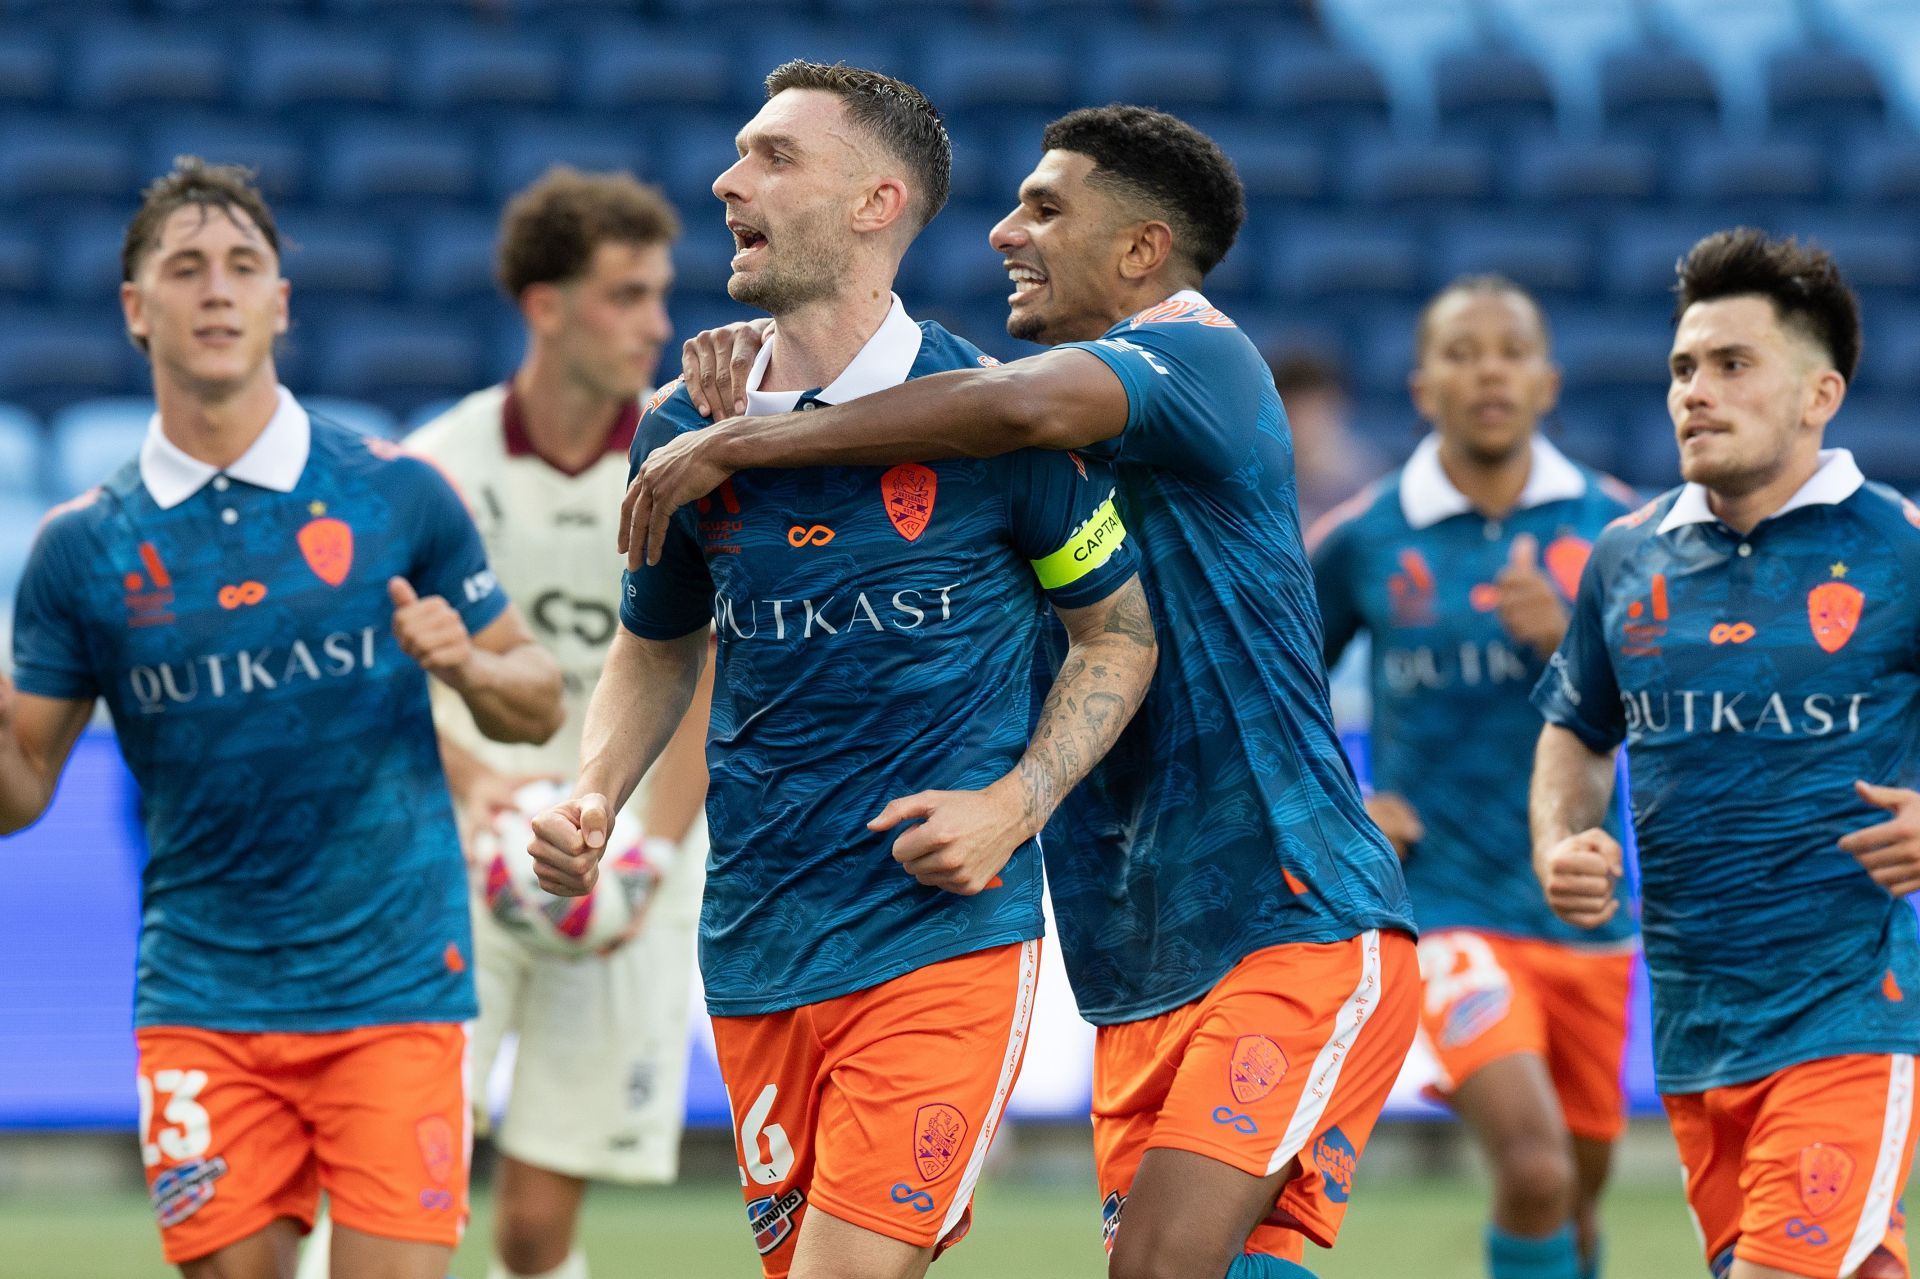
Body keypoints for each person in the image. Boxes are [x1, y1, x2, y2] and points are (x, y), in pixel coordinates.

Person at [627, 105, 1419, 1279]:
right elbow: (934, 399)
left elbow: (1005, 407)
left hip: (1286, 915)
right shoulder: (1024, 428)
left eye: (1046, 207)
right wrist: (758, 371)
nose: (1005, 231)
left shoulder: (1199, 356)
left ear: (1143, 251)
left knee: (1159, 1264)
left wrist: (746, 441)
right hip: (1137, 955)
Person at [529, 63, 1157, 1279]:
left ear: (876, 203)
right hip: (757, 935)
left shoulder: (995, 418)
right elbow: (658, 645)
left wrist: (1015, 803)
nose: (726, 180)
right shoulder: (682, 427)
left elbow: (1118, 634)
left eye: (772, 157)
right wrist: (594, 790)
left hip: (938, 939)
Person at [0, 158, 562, 1279]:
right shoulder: (80, 547)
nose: (216, 290)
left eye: (243, 266)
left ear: (280, 304)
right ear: (134, 309)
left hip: (396, 986)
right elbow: (19, 795)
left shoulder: (396, 493)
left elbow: (535, 699)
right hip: (205, 997)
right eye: (186, 267)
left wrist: (467, 666)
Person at [296, 169, 713, 1279]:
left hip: (619, 861)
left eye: (659, 295)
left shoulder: (685, 468)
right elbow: (363, 676)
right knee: (397, 1183)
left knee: (534, 1231)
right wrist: (482, 792)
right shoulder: (438, 468)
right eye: (625, 296)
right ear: (546, 306)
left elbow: (701, 672)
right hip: (446, 858)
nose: (656, 325)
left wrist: (651, 853)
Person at [1531, 228, 1920, 1279]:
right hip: (1697, 1032)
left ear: (1819, 395)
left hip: (1849, 1014)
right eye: (1683, 368)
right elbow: (1575, 727)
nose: (1695, 391)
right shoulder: (1626, 556)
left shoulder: (1901, 547)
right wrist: (1564, 839)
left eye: (1733, 365)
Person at [1309, 276, 1639, 1279]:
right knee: (1533, 1169)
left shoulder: (1623, 533)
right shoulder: (1367, 536)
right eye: (1461, 352)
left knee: (1574, 1202)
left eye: (1509, 351)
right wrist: (1342, 802)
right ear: (1422, 388)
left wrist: (1571, 649)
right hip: (1441, 906)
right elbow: (1271, 692)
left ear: (1547, 382)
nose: (1486, 368)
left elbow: (1685, 712)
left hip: (1583, 909)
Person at [1270, 350, 1383, 531]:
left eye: (1313, 410)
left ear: (1337, 407)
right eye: (1293, 412)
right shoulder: (1259, 477)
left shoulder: (1365, 479)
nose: (1304, 423)